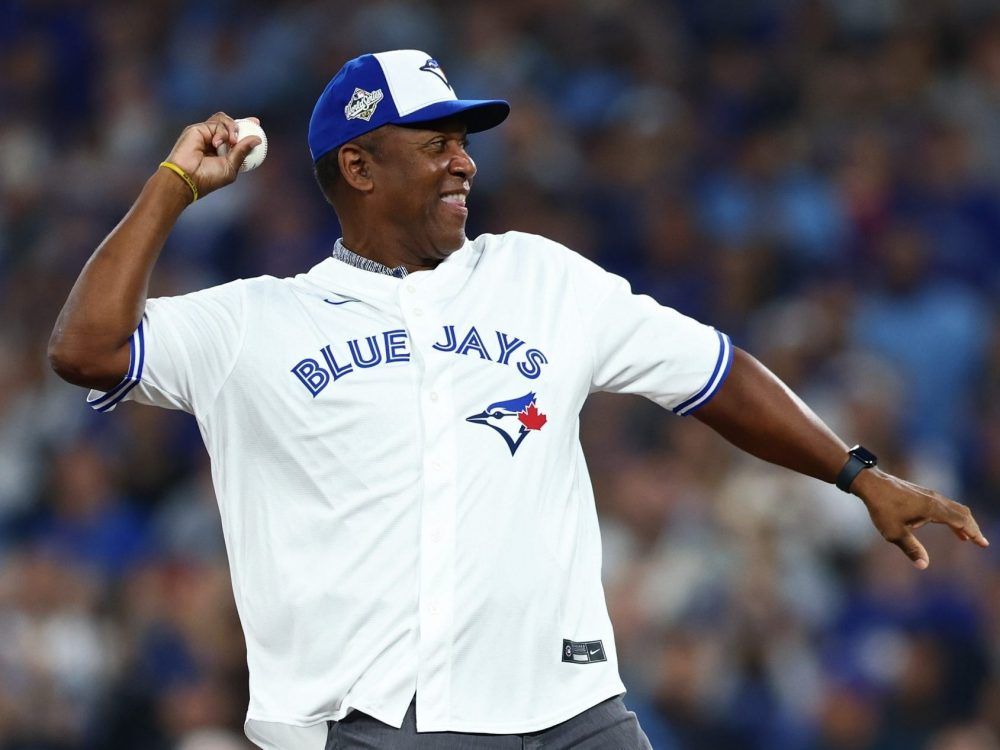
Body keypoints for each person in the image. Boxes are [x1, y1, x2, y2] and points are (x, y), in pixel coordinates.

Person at [48, 49, 988, 750]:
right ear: (360, 168)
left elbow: (713, 372)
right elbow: (85, 350)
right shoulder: (257, 321)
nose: (464, 164)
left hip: (572, 711)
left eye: (465, 144)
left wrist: (857, 474)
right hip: (376, 720)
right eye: (437, 144)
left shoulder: (541, 278)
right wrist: (174, 186)